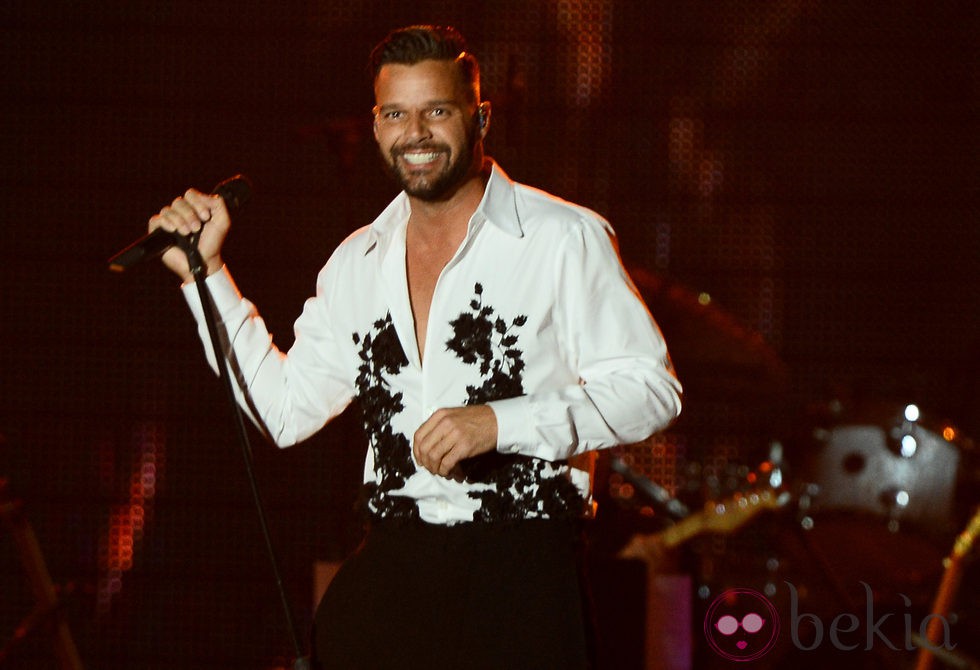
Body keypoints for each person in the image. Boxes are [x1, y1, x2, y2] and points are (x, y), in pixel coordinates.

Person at [148, 24, 681, 670]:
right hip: (391, 581)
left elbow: (653, 391)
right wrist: (206, 276)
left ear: (479, 117)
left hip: (523, 579)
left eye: (437, 111)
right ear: (376, 127)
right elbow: (283, 412)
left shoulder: (561, 239)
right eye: (397, 114)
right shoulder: (358, 262)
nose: (417, 133)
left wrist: (499, 422)